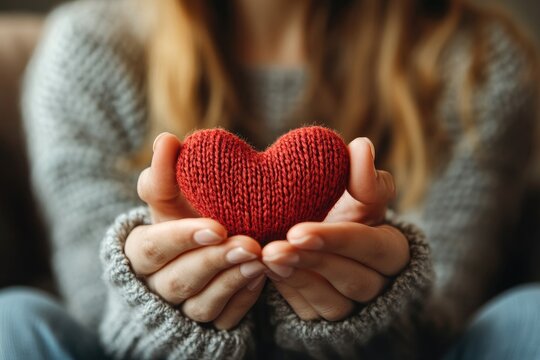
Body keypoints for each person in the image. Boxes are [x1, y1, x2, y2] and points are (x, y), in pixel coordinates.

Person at [0, 0, 538, 359]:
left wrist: (372, 305)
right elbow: (97, 316)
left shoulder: (474, 63)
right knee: (14, 323)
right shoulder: (90, 49)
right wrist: (159, 305)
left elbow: (442, 314)